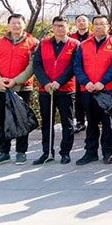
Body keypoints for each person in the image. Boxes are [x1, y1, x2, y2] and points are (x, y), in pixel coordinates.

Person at [0, 14, 38, 166]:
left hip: (22, 87)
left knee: (22, 119)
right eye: (13, 23)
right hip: (1, 88)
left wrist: (16, 80)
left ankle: (21, 152)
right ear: (8, 25)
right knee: (3, 120)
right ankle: (4, 152)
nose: (16, 26)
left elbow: (32, 66)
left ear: (24, 25)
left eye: (19, 23)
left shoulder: (33, 43)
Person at [73, 15, 112, 165]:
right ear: (92, 26)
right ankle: (90, 152)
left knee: (108, 123)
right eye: (96, 24)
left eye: (102, 24)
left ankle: (108, 152)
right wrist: (86, 82)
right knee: (91, 122)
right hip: (88, 89)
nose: (99, 27)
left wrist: (102, 82)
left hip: (107, 89)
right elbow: (77, 66)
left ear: (108, 26)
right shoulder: (83, 45)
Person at [32, 16, 78, 165]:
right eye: (57, 25)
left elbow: (73, 66)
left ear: (67, 28)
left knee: (67, 122)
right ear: (52, 27)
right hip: (46, 90)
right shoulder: (43, 44)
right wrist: (45, 82)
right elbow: (37, 64)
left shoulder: (74, 44)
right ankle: (47, 152)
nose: (59, 28)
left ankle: (65, 153)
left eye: (62, 26)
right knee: (47, 122)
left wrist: (59, 82)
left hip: (65, 89)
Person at [69, 14, 90, 133]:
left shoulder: (93, 36)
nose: (81, 23)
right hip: (76, 73)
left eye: (84, 20)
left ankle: (92, 121)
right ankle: (80, 121)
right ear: (76, 23)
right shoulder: (71, 37)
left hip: (90, 72)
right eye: (79, 21)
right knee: (78, 98)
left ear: (88, 23)